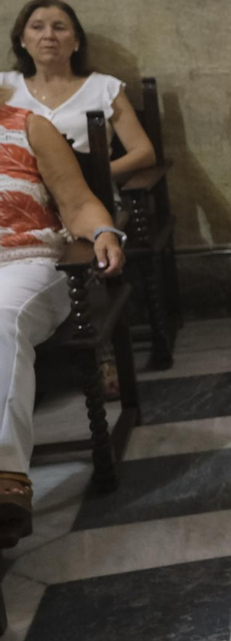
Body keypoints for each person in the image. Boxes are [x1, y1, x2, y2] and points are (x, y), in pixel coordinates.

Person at [0, 84, 126, 547]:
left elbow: (76, 202)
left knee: (1, 320)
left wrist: (103, 231)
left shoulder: (27, 125)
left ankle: (5, 476)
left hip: (25, 262)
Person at [5, 0, 156, 180]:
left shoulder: (104, 88)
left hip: (87, 197)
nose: (49, 36)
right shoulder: (4, 85)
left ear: (76, 41)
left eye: (59, 27)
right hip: (13, 196)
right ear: (22, 40)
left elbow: (144, 152)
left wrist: (91, 177)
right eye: (37, 27)